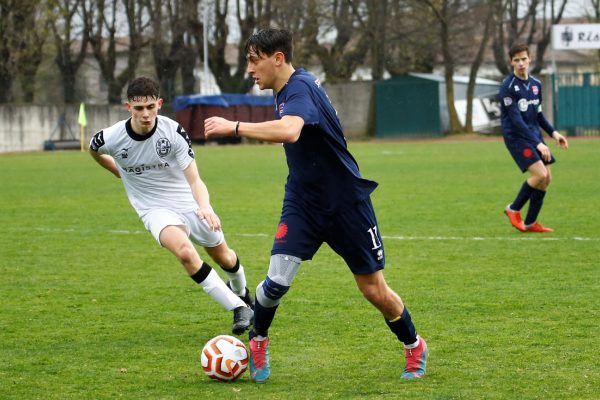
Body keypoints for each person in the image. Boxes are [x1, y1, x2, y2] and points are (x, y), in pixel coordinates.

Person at [204, 28, 427, 383]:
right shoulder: (284, 90)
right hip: (303, 202)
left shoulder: (299, 88)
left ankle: (414, 344)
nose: (249, 68)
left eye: (253, 59)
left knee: (374, 290)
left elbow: (290, 130)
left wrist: (234, 126)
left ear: (278, 58)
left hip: (345, 204)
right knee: (276, 280)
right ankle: (258, 339)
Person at [89, 77, 254, 335]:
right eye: (139, 108)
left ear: (160, 104)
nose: (146, 114)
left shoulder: (173, 132)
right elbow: (94, 149)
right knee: (186, 254)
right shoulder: (111, 137)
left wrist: (205, 207)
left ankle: (242, 291)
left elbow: (195, 178)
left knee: (225, 257)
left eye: (151, 107)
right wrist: (116, 170)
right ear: (128, 107)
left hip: (187, 202)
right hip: (153, 209)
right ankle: (238, 308)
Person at [499, 43, 568, 232]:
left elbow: (538, 115)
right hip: (517, 137)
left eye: (523, 59)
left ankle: (530, 223)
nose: (521, 63)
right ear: (511, 62)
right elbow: (516, 121)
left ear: (530, 59)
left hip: (533, 134)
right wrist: (538, 143)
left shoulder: (536, 85)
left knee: (546, 179)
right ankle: (513, 209)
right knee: (540, 174)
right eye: (516, 60)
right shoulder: (507, 87)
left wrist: (554, 133)